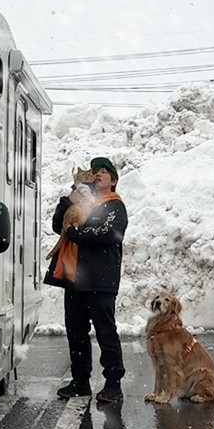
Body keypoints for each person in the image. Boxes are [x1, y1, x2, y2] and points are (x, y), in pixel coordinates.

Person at [45, 156, 128, 403]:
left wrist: (75, 233)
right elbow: (56, 225)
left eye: (104, 171)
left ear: (113, 181)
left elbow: (107, 234)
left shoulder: (115, 207)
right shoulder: (83, 201)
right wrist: (66, 203)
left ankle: (113, 383)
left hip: (100, 281)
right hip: (74, 279)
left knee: (106, 333)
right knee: (76, 333)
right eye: (95, 171)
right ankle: (80, 381)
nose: (98, 174)